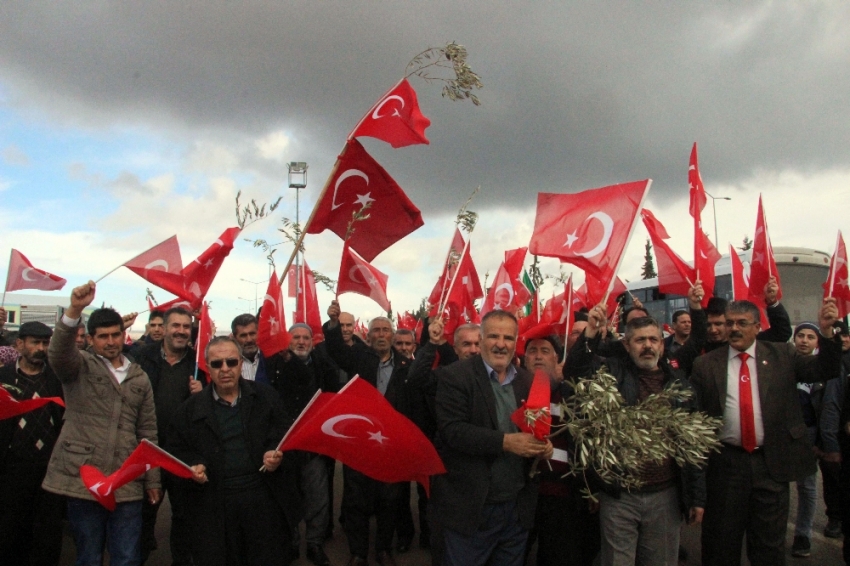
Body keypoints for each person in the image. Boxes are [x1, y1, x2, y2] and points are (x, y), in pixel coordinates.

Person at [691, 298, 841, 566]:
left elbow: (824, 369)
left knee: (768, 547)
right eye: (729, 323)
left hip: (771, 464)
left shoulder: (783, 354)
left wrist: (827, 334)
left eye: (741, 323)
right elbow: (696, 417)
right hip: (726, 466)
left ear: (758, 327)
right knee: (720, 545)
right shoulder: (706, 364)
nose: (733, 328)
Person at [566, 307, 705, 566]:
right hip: (620, 496)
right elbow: (575, 372)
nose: (648, 346)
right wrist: (592, 333)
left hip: (666, 496)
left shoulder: (679, 386)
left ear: (662, 346)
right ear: (627, 345)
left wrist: (697, 497)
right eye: (640, 340)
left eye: (653, 340)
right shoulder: (610, 374)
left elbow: (692, 444)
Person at [43, 281, 161, 566]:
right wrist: (74, 310)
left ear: (125, 335)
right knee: (88, 555)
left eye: (115, 335)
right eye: (103, 336)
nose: (110, 342)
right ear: (91, 340)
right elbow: (58, 353)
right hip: (84, 477)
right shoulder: (79, 366)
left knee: (126, 557)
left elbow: (148, 432)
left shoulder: (139, 376)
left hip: (127, 480)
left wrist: (153, 480)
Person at [433, 310, 553, 566]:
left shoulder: (528, 381)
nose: (501, 344)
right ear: (482, 337)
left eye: (508, 338)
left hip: (516, 509)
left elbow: (535, 427)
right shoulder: (455, 376)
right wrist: (506, 442)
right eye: (494, 336)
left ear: (516, 341)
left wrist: (542, 445)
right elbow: (452, 431)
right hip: (472, 509)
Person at [166, 336, 291, 566]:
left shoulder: (266, 397)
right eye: (217, 364)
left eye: (231, 362)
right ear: (207, 368)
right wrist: (193, 463)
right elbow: (176, 449)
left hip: (261, 498)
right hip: (214, 503)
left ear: (241, 363)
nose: (225, 369)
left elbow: (283, 432)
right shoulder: (188, 411)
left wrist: (273, 451)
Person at [323, 301, 414, 566]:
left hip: (391, 444)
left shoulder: (406, 366)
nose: (382, 334)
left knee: (390, 499)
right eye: (376, 330)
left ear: (393, 335)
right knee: (356, 501)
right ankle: (358, 553)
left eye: (386, 330)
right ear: (370, 335)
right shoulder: (358, 358)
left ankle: (383, 549)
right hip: (360, 442)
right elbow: (335, 348)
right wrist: (333, 323)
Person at [267, 323, 340, 566]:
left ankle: (314, 543)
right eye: (295, 337)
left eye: (305, 338)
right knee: (288, 496)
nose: (300, 342)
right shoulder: (275, 364)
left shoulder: (323, 365)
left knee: (317, 497)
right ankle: (291, 541)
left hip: (314, 443)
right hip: (285, 443)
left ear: (312, 341)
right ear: (288, 341)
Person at [135, 307, 204, 565]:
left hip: (183, 452)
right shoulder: (142, 358)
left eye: (186, 327)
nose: (181, 331)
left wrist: (203, 391)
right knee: (144, 513)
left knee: (184, 515)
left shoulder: (199, 364)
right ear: (163, 328)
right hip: (148, 449)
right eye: (176, 325)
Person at [524, 335, 600, 566]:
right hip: (522, 493)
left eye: (545, 351)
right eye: (532, 350)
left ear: (557, 357)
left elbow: (589, 441)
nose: (538, 356)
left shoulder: (572, 392)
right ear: (524, 357)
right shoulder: (512, 388)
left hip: (562, 496)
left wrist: (590, 487)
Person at [0, 321, 65, 565]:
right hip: (13, 466)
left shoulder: (57, 377)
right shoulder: (3, 376)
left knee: (47, 531)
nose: (40, 348)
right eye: (35, 342)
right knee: (11, 528)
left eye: (45, 343)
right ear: (19, 344)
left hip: (50, 466)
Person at [790, 322, 829, 557]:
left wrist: (822, 441)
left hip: (809, 434)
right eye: (800, 336)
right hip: (782, 434)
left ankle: (802, 534)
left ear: (817, 342)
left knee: (806, 486)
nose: (804, 340)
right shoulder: (783, 365)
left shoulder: (822, 370)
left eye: (810, 337)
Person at [231, 313, 269, 383]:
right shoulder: (229, 363)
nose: (249, 340)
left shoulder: (269, 359)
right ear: (234, 337)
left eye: (252, 334)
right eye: (243, 335)